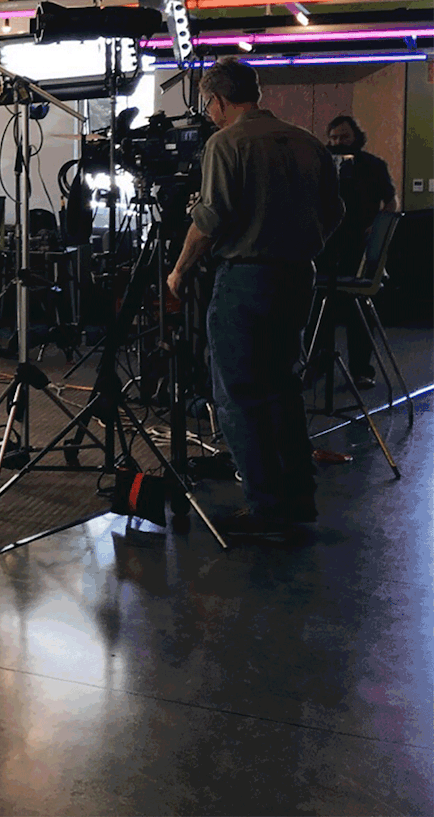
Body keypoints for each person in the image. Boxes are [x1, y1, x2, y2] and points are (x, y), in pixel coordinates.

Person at [166, 57, 343, 536]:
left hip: (246, 279)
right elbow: (335, 210)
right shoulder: (306, 142)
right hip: (297, 277)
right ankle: (298, 499)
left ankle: (266, 507)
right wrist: (303, 243)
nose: (209, 114)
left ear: (219, 99)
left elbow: (210, 220)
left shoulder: (227, 143)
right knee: (282, 388)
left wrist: (179, 270)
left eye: (208, 105)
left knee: (239, 395)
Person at [323, 115, 398, 388]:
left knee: (359, 310)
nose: (338, 142)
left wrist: (378, 227)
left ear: (356, 136)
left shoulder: (373, 165)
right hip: (326, 244)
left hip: (359, 244)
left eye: (343, 137)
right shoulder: (324, 165)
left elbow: (391, 201)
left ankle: (361, 370)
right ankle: (317, 364)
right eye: (333, 138)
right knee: (319, 308)